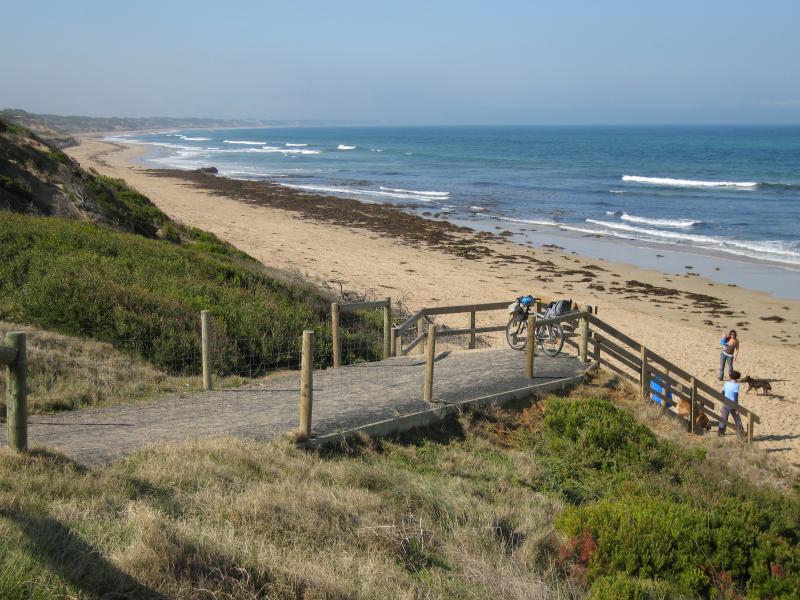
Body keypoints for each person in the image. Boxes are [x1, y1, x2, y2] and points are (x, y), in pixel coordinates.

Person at [718, 370, 744, 436]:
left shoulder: (726, 384)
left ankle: (720, 432)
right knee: (737, 419)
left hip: (725, 403)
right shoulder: (736, 386)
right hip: (732, 404)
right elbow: (736, 397)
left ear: (730, 377)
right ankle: (740, 433)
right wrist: (737, 408)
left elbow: (722, 393)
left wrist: (722, 403)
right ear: (737, 378)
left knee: (723, 418)